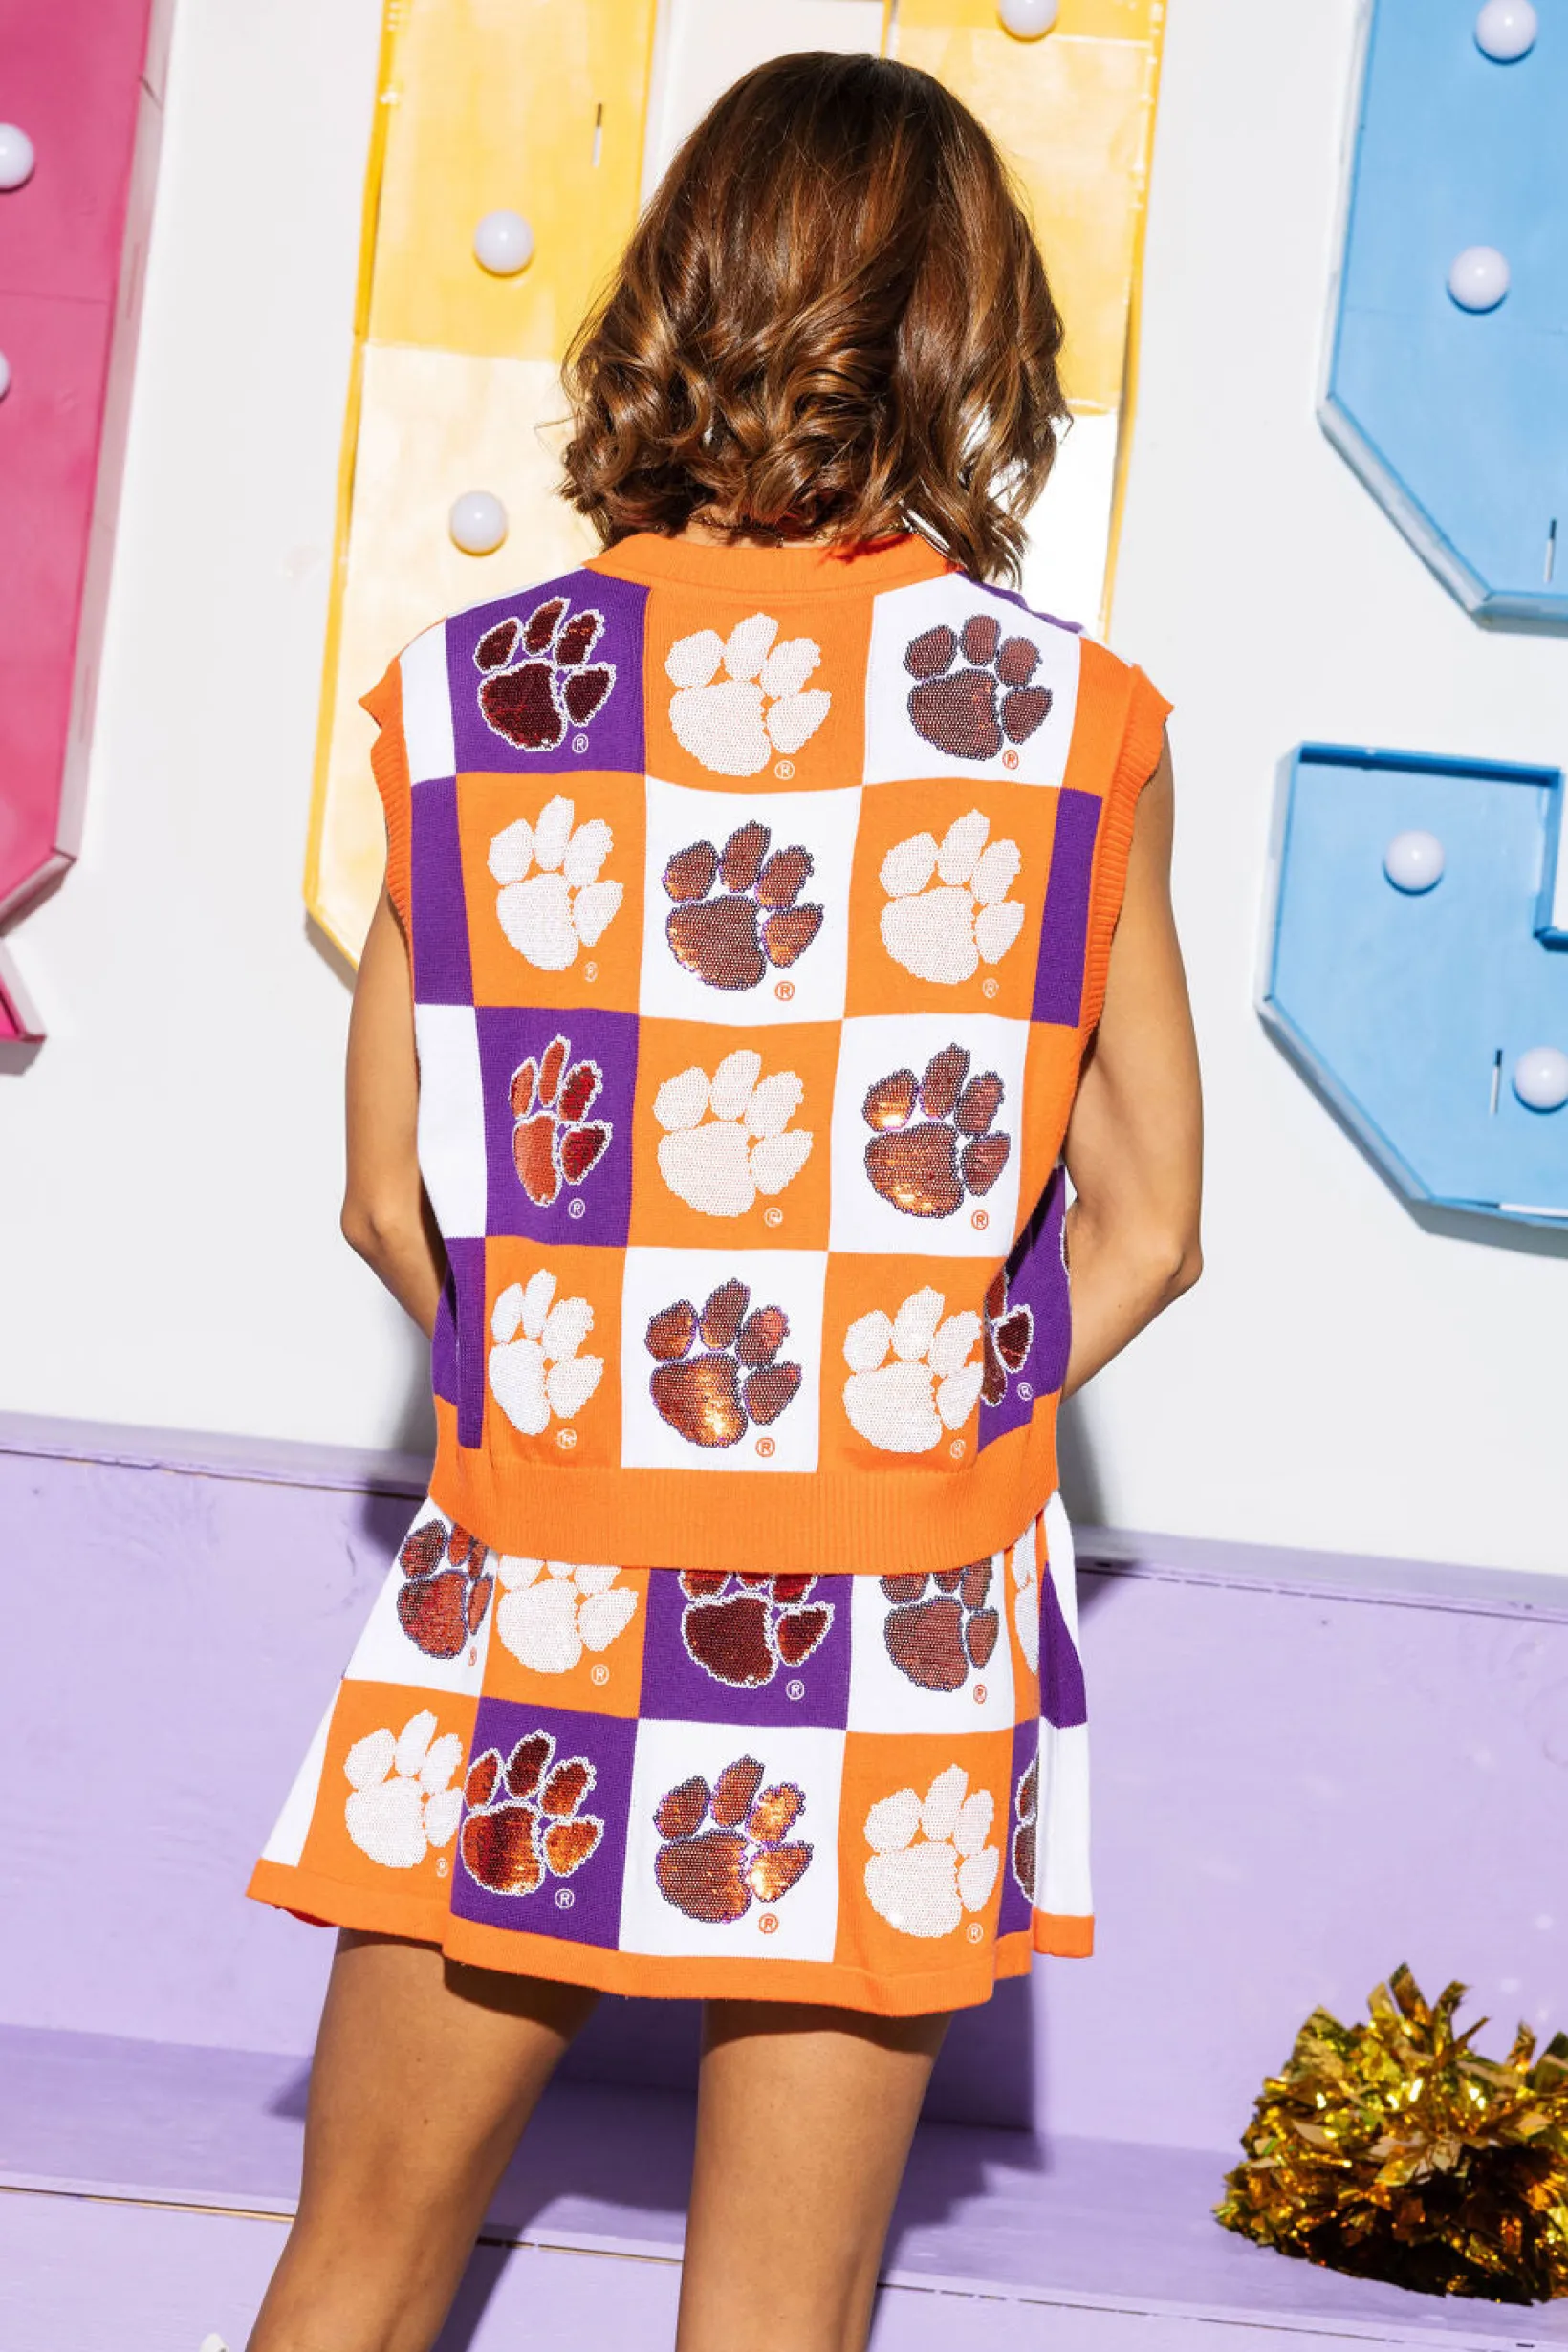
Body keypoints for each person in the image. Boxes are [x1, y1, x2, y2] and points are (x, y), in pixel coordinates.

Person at [245, 48, 1202, 2352]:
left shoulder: (474, 694)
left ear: (681, 286)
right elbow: (1152, 1227)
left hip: (542, 1554)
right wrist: (915, 1421)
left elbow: (385, 1201)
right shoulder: (1066, 722)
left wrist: (575, 1397)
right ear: (969, 336)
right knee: (776, 2320)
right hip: (892, 1606)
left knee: (357, 2267)